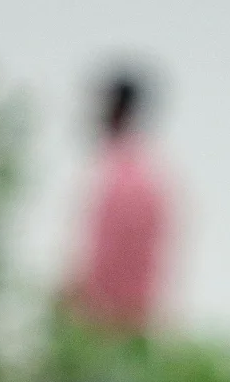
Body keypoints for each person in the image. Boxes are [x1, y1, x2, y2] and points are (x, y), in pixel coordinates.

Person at [65, 70, 172, 337]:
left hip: (103, 325)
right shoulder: (152, 176)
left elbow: (99, 260)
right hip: (138, 326)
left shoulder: (117, 176)